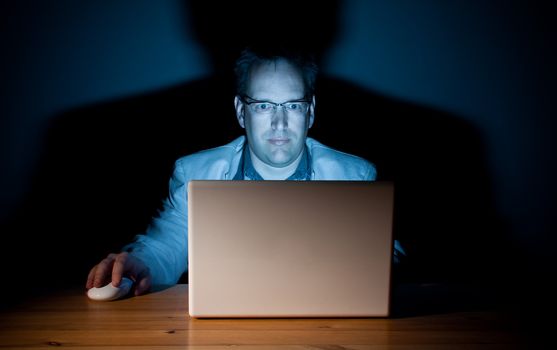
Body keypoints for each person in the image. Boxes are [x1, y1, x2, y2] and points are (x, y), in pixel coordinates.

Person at [86, 46, 404, 296]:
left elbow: (387, 256)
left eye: (293, 105)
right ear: (241, 111)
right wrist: (138, 265)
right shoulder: (195, 172)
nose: (279, 123)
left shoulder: (355, 176)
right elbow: (167, 244)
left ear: (311, 112)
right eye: (264, 105)